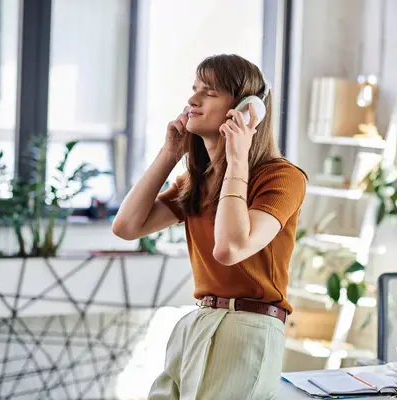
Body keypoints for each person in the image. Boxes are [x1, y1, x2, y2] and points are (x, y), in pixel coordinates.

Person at [112, 54, 307, 399]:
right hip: (199, 321)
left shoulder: (281, 177)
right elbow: (126, 227)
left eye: (210, 92)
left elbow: (230, 248)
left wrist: (236, 160)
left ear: (247, 109)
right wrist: (169, 154)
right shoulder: (198, 181)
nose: (192, 100)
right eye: (194, 89)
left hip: (249, 325)